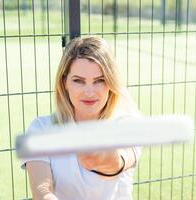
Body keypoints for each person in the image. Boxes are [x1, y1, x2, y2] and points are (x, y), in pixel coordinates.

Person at [21, 36, 142, 200]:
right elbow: (42, 191)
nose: (89, 91)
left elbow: (119, 162)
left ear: (110, 83)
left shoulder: (127, 125)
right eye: (79, 81)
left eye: (99, 80)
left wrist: (104, 157)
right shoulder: (40, 128)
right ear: (64, 82)